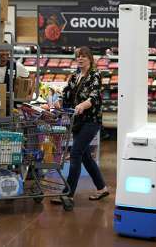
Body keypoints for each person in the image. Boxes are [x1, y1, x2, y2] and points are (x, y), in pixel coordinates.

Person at [59, 46, 109, 202]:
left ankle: (68, 194)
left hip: (91, 120)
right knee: (86, 156)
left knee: (75, 153)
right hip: (77, 121)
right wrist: (58, 102)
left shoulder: (95, 75)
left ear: (90, 58)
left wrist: (82, 105)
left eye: (83, 56)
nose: (80, 59)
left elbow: (94, 97)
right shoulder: (74, 76)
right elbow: (67, 94)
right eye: (78, 56)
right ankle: (102, 188)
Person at [0, 48, 29, 115]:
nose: (4, 57)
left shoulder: (17, 66)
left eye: (6, 54)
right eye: (1, 54)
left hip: (12, 107)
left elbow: (28, 80)